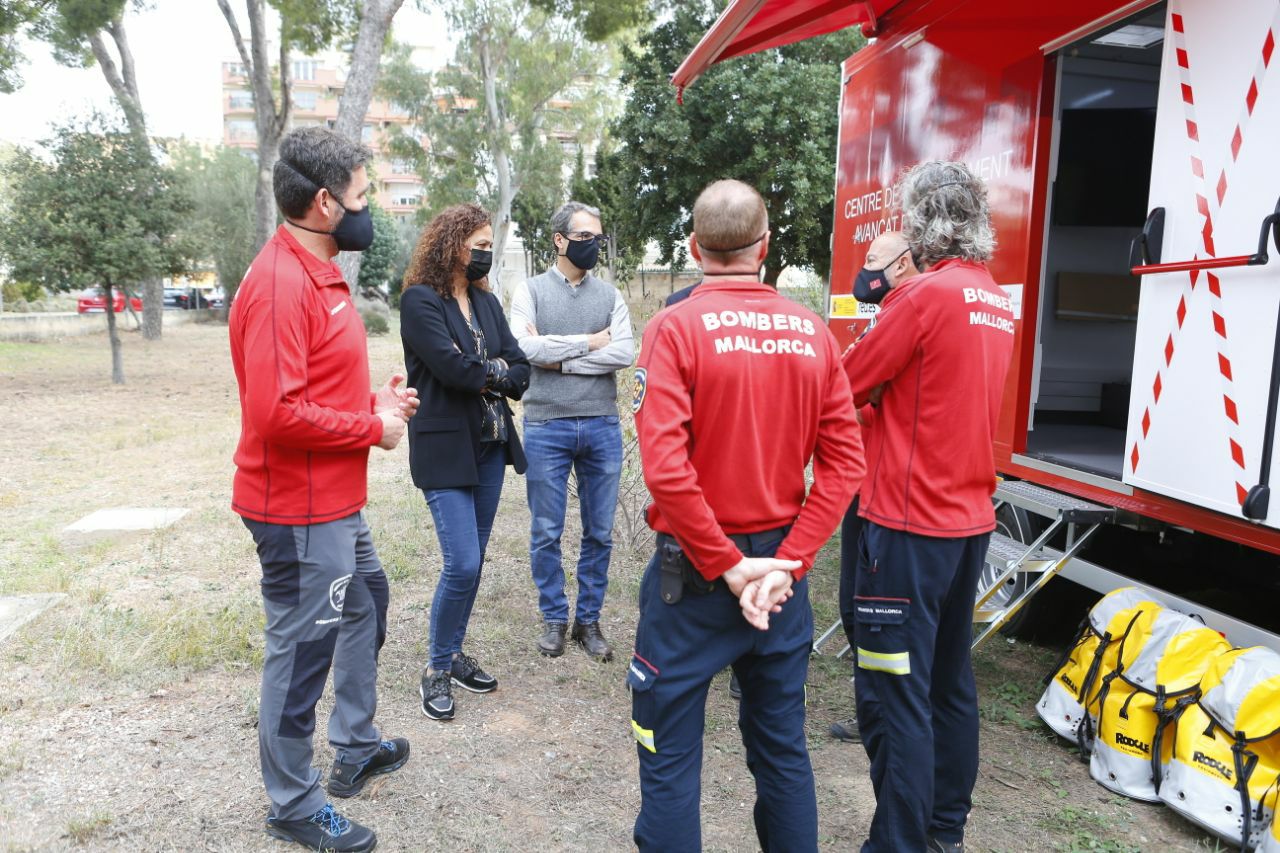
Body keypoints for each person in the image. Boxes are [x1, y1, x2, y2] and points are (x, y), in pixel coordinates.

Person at [630, 179, 865, 852]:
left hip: (700, 577)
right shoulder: (811, 331)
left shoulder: (673, 326)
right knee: (782, 751)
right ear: (766, 246)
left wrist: (734, 567)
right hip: (776, 580)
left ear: (695, 247)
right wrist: (787, 564)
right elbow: (846, 465)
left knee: (670, 756)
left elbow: (667, 471)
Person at [230, 126, 417, 853]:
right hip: (299, 508)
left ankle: (356, 742)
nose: (372, 208)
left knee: (368, 597)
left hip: (334, 497)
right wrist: (371, 430)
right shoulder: (280, 282)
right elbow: (274, 413)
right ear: (323, 203)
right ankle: (293, 803)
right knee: (302, 652)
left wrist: (374, 402)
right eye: (364, 196)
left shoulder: (321, 267)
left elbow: (310, 387)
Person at [840, 161, 1015, 853]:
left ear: (919, 225)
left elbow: (847, 382)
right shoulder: (993, 297)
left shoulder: (922, 297)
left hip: (908, 525)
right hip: (968, 520)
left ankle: (900, 844)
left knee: (895, 693)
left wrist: (879, 392)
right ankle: (944, 832)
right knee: (949, 685)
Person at [400, 203, 531, 722]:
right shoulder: (419, 301)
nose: (485, 253)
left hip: (491, 446)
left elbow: (521, 368)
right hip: (443, 448)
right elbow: (454, 369)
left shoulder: (487, 302)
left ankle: (453, 654)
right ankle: (435, 667)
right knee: (464, 563)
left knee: (473, 562)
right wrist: (493, 370)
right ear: (450, 244)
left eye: (488, 245)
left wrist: (492, 370)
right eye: (477, 244)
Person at [509, 201, 635, 661]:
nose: (593, 245)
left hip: (601, 424)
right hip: (545, 424)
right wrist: (586, 343)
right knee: (546, 530)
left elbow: (622, 352)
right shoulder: (531, 292)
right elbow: (524, 347)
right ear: (559, 240)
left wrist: (557, 359)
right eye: (584, 237)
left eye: (597, 237)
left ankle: (589, 620)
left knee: (599, 532)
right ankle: (554, 619)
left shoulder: (611, 296)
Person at [830, 230, 921, 744]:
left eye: (872, 262)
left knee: (873, 612)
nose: (863, 272)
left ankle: (882, 719)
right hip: (862, 483)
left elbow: (846, 388)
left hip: (885, 491)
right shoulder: (885, 318)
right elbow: (854, 388)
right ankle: (872, 713)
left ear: (903, 264)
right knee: (852, 606)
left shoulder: (906, 317)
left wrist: (863, 394)